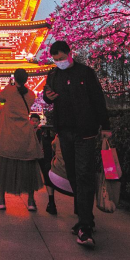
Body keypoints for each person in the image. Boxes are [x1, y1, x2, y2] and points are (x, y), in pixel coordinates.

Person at [43, 40, 111, 248]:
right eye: (56, 60)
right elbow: (48, 97)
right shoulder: (53, 75)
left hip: (86, 132)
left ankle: (85, 226)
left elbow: (98, 99)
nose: (59, 62)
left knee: (84, 173)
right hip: (64, 131)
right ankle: (84, 217)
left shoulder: (86, 73)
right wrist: (48, 97)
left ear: (70, 54)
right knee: (72, 172)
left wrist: (105, 126)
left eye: (62, 59)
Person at [0, 68, 44, 211]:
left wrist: (10, 84)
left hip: (8, 131)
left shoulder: (9, 90)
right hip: (25, 132)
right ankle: (31, 201)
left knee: (3, 165)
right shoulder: (31, 94)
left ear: (15, 78)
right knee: (28, 167)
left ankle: (1, 199)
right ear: (27, 79)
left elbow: (1, 98)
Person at [31, 113, 59, 215]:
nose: (34, 122)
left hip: (37, 156)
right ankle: (51, 202)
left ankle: (33, 200)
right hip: (43, 156)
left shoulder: (38, 131)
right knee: (46, 176)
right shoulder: (42, 132)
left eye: (35, 121)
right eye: (32, 120)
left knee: (35, 176)